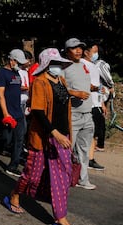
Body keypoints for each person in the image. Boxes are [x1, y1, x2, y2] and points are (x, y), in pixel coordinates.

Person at [4, 48, 73, 225]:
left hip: (62, 136)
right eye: (54, 63)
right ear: (46, 65)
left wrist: (65, 133)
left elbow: (64, 108)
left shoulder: (61, 81)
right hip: (45, 136)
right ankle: (15, 193)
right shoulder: (40, 83)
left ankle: (60, 217)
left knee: (63, 175)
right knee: (32, 175)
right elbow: (38, 112)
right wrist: (55, 133)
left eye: (60, 63)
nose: (58, 66)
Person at [62, 38, 96, 190]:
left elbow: (83, 83)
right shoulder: (62, 67)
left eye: (80, 48)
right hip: (72, 115)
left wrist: (93, 88)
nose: (78, 51)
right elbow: (58, 88)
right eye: (74, 48)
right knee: (67, 149)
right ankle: (62, 178)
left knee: (84, 149)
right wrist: (75, 93)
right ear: (67, 51)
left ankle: (83, 179)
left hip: (87, 114)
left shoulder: (83, 65)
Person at [0, 49, 28, 177]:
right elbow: (1, 95)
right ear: (11, 60)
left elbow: (16, 91)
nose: (20, 65)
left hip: (18, 111)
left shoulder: (17, 74)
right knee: (5, 140)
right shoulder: (1, 74)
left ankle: (13, 165)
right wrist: (5, 114)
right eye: (18, 62)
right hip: (8, 112)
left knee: (19, 139)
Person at [80, 42, 105, 170]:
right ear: (86, 52)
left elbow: (98, 85)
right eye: (94, 51)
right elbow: (83, 83)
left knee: (94, 133)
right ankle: (83, 159)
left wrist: (102, 103)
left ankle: (90, 158)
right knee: (86, 133)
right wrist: (95, 88)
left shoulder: (94, 66)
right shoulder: (83, 64)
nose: (96, 54)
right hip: (87, 103)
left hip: (96, 103)